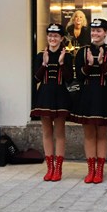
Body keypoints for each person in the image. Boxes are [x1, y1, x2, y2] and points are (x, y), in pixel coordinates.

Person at [69, 18, 107, 183]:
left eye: (99, 31)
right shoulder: (82, 51)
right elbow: (78, 76)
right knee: (89, 134)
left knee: (102, 133)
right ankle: (90, 169)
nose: (95, 34)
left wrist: (101, 63)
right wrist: (89, 64)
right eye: (93, 30)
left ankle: (100, 170)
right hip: (87, 95)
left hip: (105, 95)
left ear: (106, 33)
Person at [31, 23, 74, 181]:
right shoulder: (40, 55)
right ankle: (50, 168)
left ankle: (59, 169)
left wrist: (62, 63)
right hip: (44, 95)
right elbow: (35, 78)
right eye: (50, 35)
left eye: (56, 36)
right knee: (47, 132)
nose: (52, 38)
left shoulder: (67, 55)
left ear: (61, 38)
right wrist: (44, 64)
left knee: (60, 133)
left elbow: (69, 80)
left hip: (61, 96)